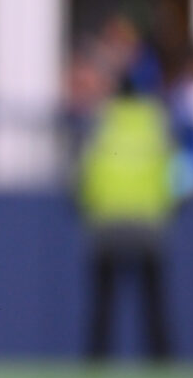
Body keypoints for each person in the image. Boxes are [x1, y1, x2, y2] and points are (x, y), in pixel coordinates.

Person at [76, 78, 179, 361]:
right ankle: (163, 365)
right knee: (154, 305)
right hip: (148, 227)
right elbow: (177, 174)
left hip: (107, 226)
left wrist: (88, 209)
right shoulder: (155, 122)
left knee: (103, 305)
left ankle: (96, 364)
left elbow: (83, 175)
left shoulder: (102, 120)